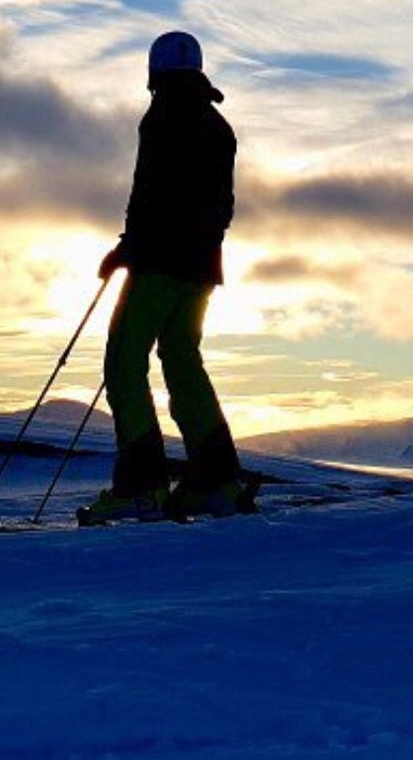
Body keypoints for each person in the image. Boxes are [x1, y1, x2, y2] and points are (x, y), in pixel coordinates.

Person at [79, 30, 256, 524]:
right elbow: (223, 206)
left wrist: (127, 249)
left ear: (154, 70)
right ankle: (216, 480)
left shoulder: (161, 117)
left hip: (159, 260)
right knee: (182, 361)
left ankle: (142, 486)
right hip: (202, 268)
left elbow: (151, 190)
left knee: (124, 360)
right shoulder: (220, 126)